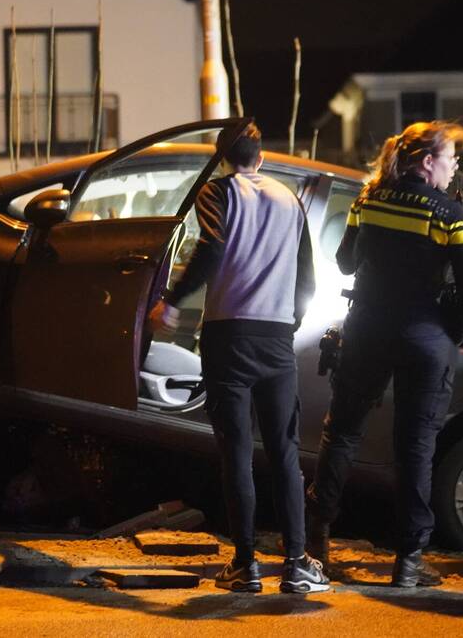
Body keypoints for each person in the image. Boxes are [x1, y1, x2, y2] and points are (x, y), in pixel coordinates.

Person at [148, 122, 328, 594]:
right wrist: (289, 322)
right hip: (275, 337)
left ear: (223, 156)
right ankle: (295, 563)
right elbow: (306, 276)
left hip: (228, 334)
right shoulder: (290, 200)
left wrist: (172, 300)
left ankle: (245, 565)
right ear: (261, 156)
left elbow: (211, 247)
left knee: (236, 452)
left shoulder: (217, 192)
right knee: (286, 451)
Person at [305, 120, 463, 588]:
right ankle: (408, 562)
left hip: (366, 329)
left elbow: (345, 262)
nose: (455, 164)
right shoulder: (451, 215)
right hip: (425, 338)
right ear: (428, 162)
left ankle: (316, 543)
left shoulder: (369, 200)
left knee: (342, 433)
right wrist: (449, 334)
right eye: (450, 157)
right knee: (416, 448)